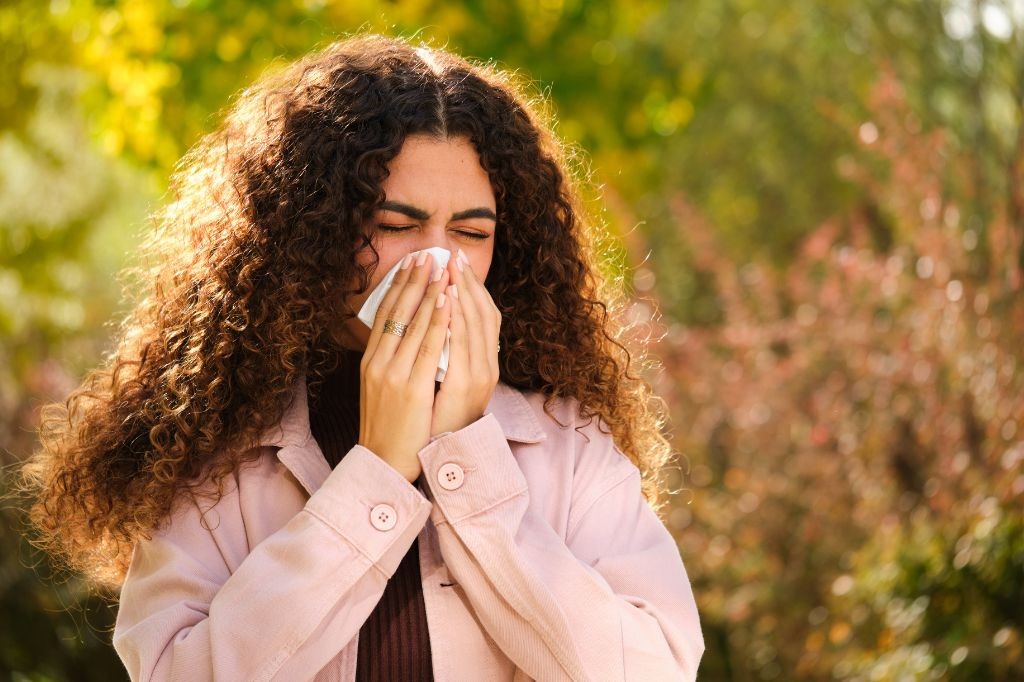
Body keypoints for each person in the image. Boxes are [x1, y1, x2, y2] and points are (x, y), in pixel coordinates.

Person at [21, 33, 704, 680]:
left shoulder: (568, 444)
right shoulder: (216, 456)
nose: (437, 262)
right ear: (311, 230)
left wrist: (469, 458)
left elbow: (656, 667)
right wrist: (375, 472)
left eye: (470, 232)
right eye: (395, 225)